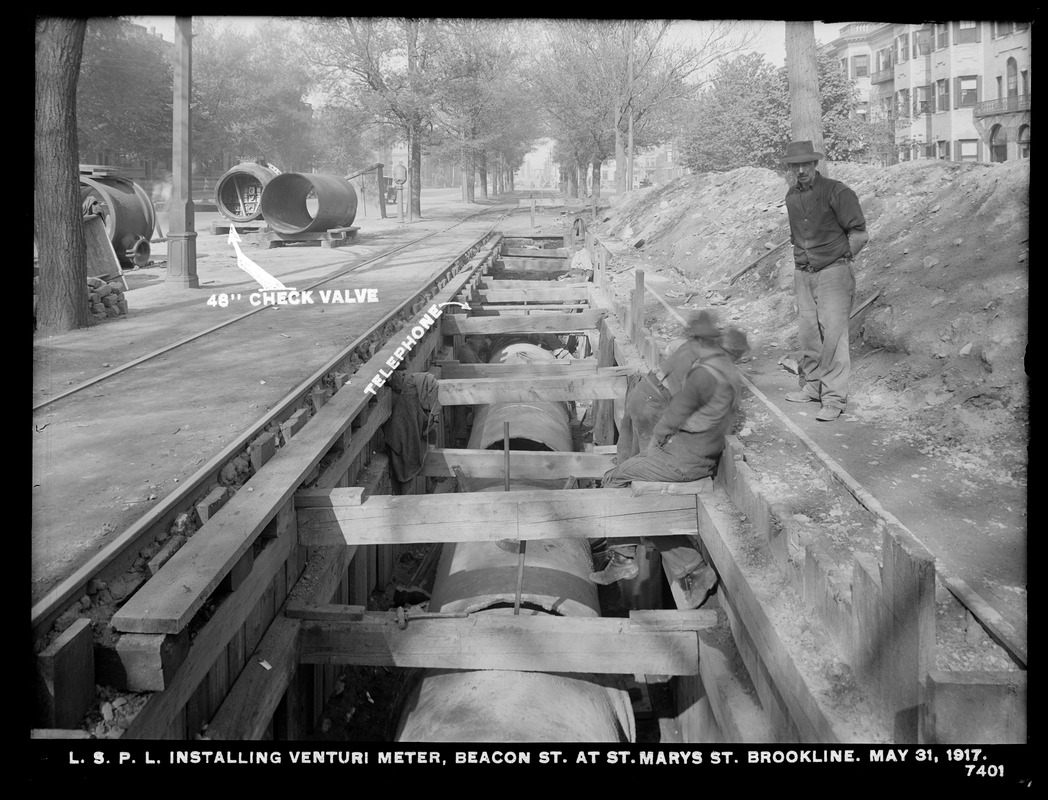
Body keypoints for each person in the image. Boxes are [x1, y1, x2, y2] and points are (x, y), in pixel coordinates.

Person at [591, 311, 749, 609]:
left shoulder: (703, 364)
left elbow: (681, 412)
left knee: (619, 483)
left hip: (680, 455)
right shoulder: (719, 373)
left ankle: (632, 558)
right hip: (683, 452)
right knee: (632, 485)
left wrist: (659, 443)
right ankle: (656, 562)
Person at [782, 140, 869, 422]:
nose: (801, 171)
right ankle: (814, 386)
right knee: (809, 333)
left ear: (815, 164)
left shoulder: (837, 191)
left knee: (833, 335)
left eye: (805, 164)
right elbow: (797, 235)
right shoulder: (791, 197)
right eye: (795, 166)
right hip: (803, 273)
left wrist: (839, 262)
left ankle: (833, 398)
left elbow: (859, 234)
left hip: (834, 271)